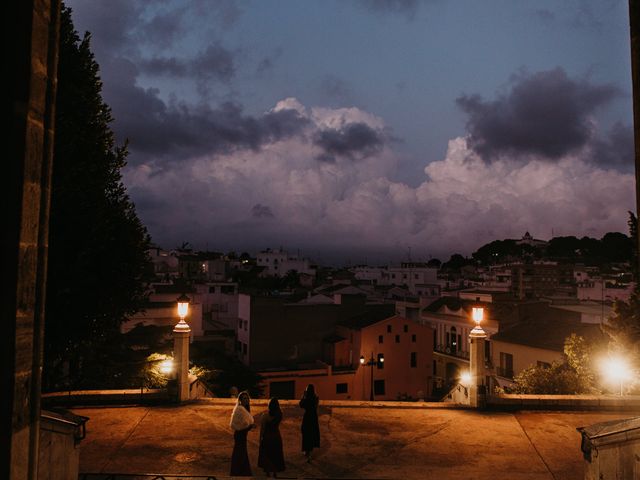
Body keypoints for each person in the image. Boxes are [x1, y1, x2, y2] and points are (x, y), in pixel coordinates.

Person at [258, 397, 286, 477]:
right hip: (276, 436)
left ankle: (267, 472)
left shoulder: (265, 416)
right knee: (275, 455)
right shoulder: (280, 415)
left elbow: (262, 429)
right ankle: (275, 472)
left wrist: (260, 439)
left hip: (267, 437)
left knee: (267, 455)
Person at [229, 391, 255, 476]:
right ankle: (237, 472)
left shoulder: (244, 409)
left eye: (247, 398)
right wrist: (251, 426)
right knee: (239, 453)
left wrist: (250, 426)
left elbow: (246, 424)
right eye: (244, 398)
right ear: (240, 400)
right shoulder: (240, 409)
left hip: (242, 435)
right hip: (240, 435)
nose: (246, 400)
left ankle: (242, 471)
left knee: (242, 453)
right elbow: (242, 425)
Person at [299, 384, 320, 462]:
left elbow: (301, 405)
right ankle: (310, 451)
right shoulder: (316, 398)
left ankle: (306, 451)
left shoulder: (306, 398)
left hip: (307, 417)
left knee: (305, 432)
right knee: (311, 433)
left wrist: (303, 396)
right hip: (313, 417)